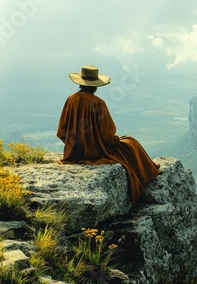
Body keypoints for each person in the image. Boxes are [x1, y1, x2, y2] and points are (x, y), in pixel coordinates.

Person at [57, 65, 161, 203]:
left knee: (129, 143)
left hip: (72, 152)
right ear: (96, 85)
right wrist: (112, 141)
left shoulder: (70, 99)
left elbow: (61, 130)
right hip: (96, 152)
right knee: (131, 143)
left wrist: (73, 143)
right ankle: (149, 172)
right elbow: (108, 134)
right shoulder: (98, 103)